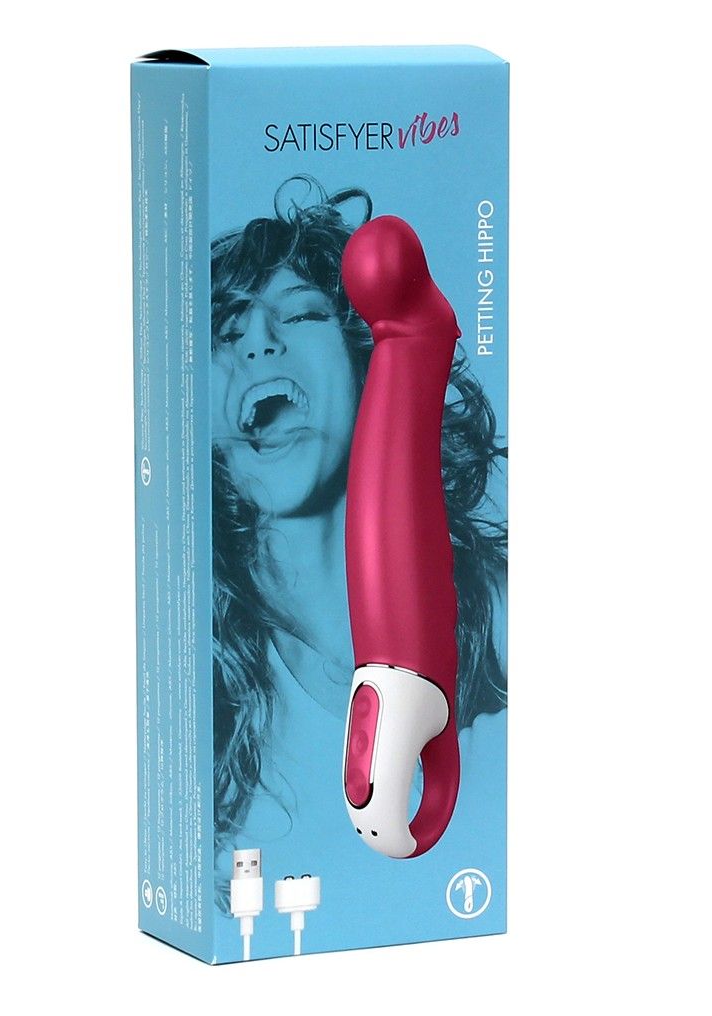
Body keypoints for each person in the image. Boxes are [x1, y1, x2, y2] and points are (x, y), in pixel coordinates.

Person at [210, 176, 507, 934]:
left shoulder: (506, 616)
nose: (258, 341)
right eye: (227, 332)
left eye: (301, 313)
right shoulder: (206, 706)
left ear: (361, 363)